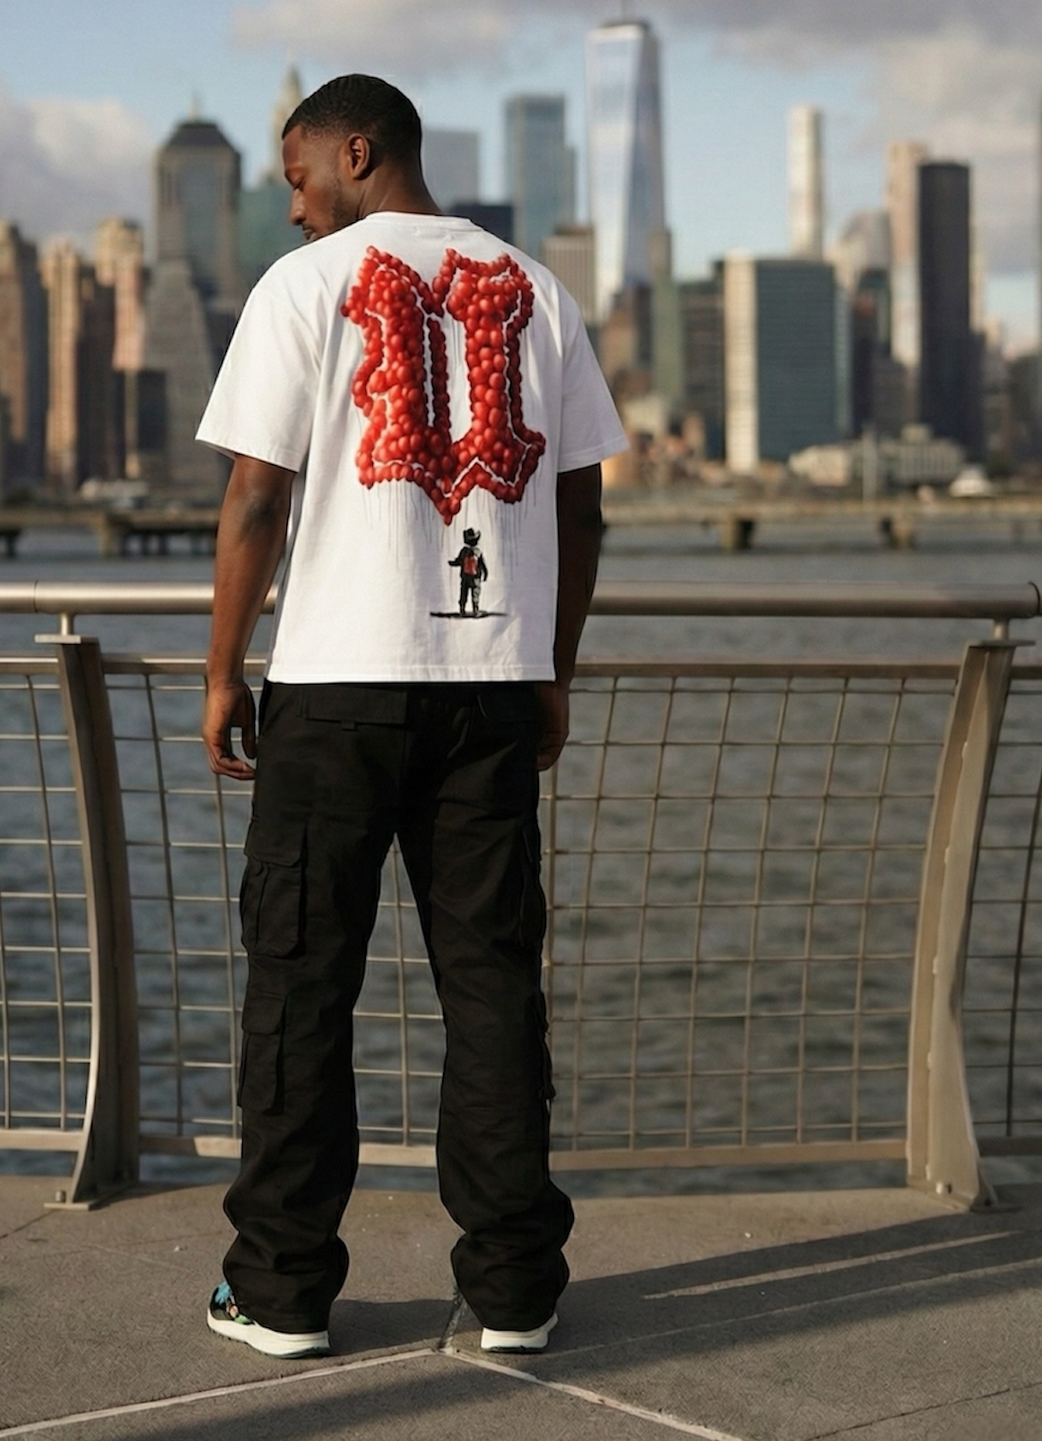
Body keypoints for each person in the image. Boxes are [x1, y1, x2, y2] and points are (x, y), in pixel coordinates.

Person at [196, 73, 627, 1362]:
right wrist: (549, 667)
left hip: (335, 689)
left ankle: (279, 1294)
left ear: (359, 153)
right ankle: (515, 1291)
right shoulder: (536, 290)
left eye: (297, 177)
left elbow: (254, 505)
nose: (291, 207)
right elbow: (584, 511)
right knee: (494, 992)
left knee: (299, 990)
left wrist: (224, 671)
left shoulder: (304, 289)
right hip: (490, 688)